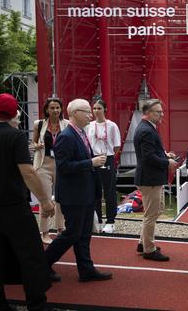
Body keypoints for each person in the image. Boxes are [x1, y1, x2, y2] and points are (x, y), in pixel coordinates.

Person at [0, 93, 55, 310]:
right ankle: (36, 304)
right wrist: (45, 201)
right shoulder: (15, 137)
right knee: (30, 256)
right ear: (15, 113)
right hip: (14, 207)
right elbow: (27, 171)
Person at [44, 98, 113, 282]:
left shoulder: (80, 133)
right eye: (86, 111)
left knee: (83, 234)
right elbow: (64, 167)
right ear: (74, 114)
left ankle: (86, 269)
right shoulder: (66, 136)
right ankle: (42, 264)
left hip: (84, 193)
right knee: (72, 233)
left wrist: (91, 162)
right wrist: (90, 162)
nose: (91, 115)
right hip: (73, 195)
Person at [133, 99, 177, 261]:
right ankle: (149, 249)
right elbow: (148, 157)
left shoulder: (147, 128)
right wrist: (167, 162)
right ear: (148, 113)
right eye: (158, 112)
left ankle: (143, 243)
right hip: (149, 179)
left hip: (151, 178)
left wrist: (165, 155)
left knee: (156, 210)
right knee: (151, 215)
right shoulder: (146, 130)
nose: (162, 114)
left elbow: (151, 152)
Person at [32, 97, 68, 245]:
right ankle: (44, 232)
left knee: (61, 198)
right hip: (43, 163)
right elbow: (33, 143)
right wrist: (37, 145)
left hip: (61, 164)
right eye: (52, 108)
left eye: (58, 108)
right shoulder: (39, 124)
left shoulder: (67, 124)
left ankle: (61, 229)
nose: (55, 111)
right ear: (47, 110)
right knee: (45, 198)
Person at [87, 99, 121, 234]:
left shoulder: (112, 126)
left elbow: (117, 145)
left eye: (99, 108)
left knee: (109, 191)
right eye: (94, 108)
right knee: (95, 190)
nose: (96, 111)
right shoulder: (89, 125)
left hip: (107, 159)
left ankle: (111, 221)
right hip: (93, 159)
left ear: (105, 110)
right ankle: (98, 220)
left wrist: (109, 157)